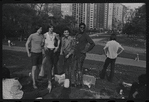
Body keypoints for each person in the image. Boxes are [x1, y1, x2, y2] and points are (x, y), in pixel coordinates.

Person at [73, 23, 95, 87]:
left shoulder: (85, 35)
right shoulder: (77, 35)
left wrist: (86, 50)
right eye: (81, 27)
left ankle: (79, 83)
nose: (82, 29)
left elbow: (92, 44)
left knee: (79, 68)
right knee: (75, 68)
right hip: (76, 54)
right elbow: (75, 43)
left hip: (81, 55)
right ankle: (75, 81)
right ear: (79, 28)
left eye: (83, 28)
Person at [39, 25, 60, 89]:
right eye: (50, 28)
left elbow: (59, 40)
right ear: (48, 29)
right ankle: (49, 82)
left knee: (54, 64)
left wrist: (57, 47)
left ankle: (53, 76)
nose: (51, 29)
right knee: (49, 65)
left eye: (52, 27)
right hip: (48, 50)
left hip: (53, 50)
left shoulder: (55, 34)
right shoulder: (45, 34)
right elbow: (42, 42)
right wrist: (44, 46)